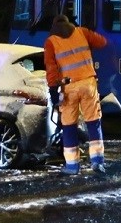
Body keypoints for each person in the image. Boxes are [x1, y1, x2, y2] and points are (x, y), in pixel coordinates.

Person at [43, 14, 109, 175]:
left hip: (68, 87)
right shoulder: (81, 32)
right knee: (94, 122)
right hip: (88, 84)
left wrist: (53, 90)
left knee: (69, 126)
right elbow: (102, 42)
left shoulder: (51, 41)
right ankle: (97, 161)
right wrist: (83, 32)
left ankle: (72, 166)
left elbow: (51, 69)